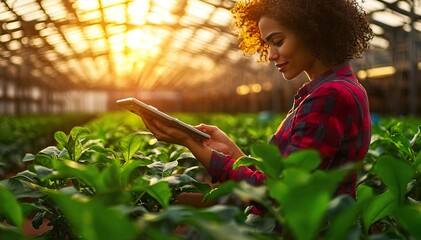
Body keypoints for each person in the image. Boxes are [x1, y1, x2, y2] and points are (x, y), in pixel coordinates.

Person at [141, 0, 373, 214]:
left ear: (313, 32)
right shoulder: (341, 87)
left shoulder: (329, 95)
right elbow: (280, 179)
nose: (271, 55)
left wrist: (190, 142)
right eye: (267, 45)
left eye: (278, 41)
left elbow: (279, 195)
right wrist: (232, 152)